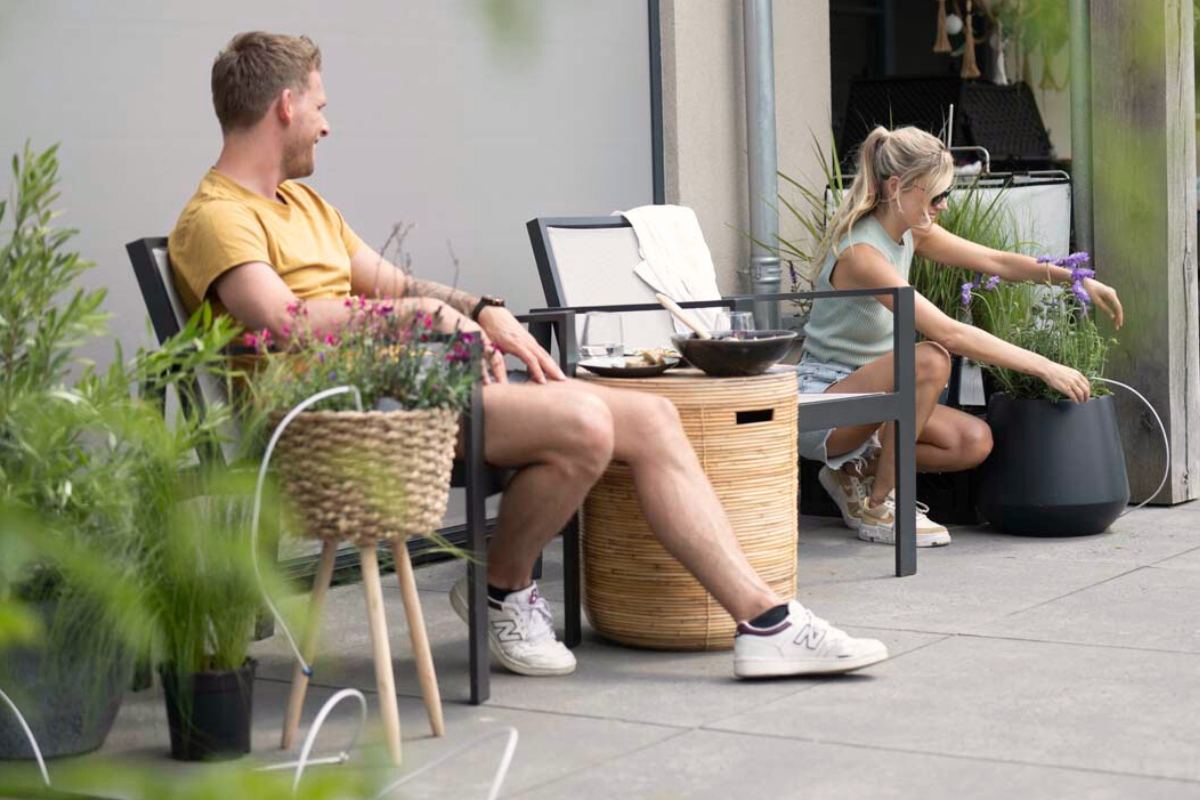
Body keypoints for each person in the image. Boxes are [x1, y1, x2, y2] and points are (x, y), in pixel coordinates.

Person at [168, 31, 889, 680]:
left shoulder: (305, 207)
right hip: (340, 423)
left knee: (653, 418)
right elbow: (283, 322)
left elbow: (397, 284)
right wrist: (415, 319)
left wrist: (482, 310)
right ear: (286, 105)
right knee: (584, 424)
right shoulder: (217, 217)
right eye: (321, 106)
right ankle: (504, 590)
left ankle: (766, 620)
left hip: (405, 397)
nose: (329, 122)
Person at [801, 125, 1124, 547]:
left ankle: (853, 472)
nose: (945, 206)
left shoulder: (909, 230)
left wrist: (1076, 279)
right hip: (828, 402)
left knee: (973, 441)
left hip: (878, 400)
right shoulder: (862, 254)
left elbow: (994, 261)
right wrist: (1045, 366)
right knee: (931, 358)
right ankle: (880, 506)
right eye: (937, 196)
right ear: (898, 188)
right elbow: (948, 333)